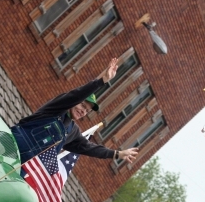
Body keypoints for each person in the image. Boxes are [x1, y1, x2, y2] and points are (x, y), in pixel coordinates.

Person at [11, 58, 139, 164]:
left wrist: (117, 154)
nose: (83, 111)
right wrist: (102, 81)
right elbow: (77, 95)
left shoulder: (72, 131)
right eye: (83, 105)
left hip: (25, 166)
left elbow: (90, 148)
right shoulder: (58, 108)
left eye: (87, 111)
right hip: (12, 146)